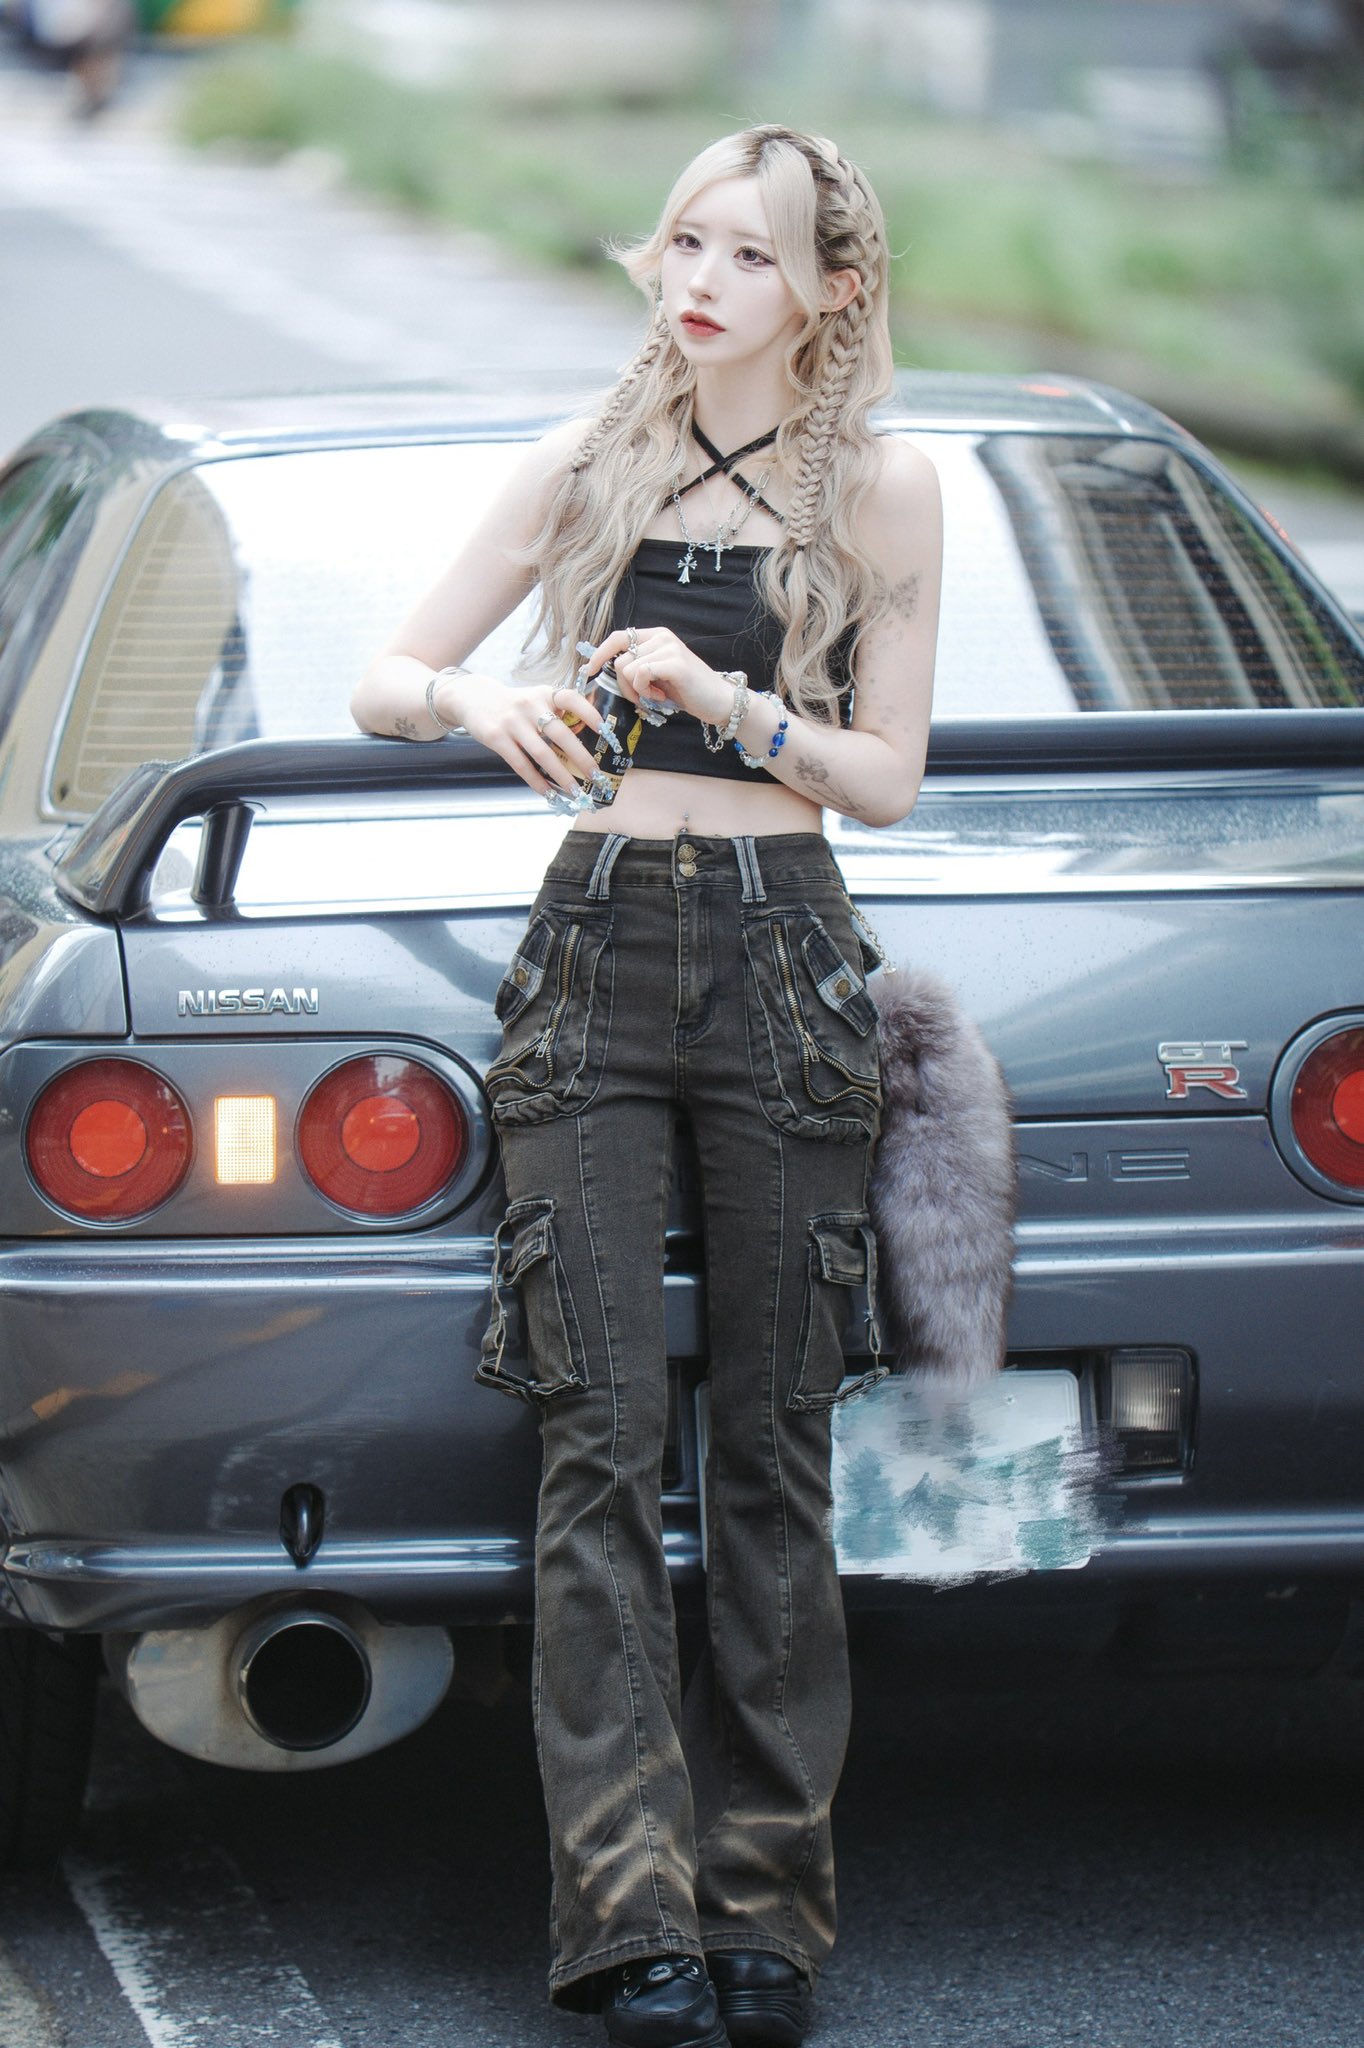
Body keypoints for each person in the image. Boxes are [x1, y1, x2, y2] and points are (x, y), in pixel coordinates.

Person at [352, 124, 942, 2048]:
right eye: (686, 241)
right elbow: (385, 675)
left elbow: (885, 778)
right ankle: (630, 1920)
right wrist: (478, 700)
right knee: (595, 1435)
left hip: (785, 954)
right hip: (593, 949)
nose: (701, 282)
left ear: (831, 290)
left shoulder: (882, 488)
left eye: (749, 255)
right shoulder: (584, 463)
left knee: (774, 1440)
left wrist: (731, 703)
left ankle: (769, 1907)